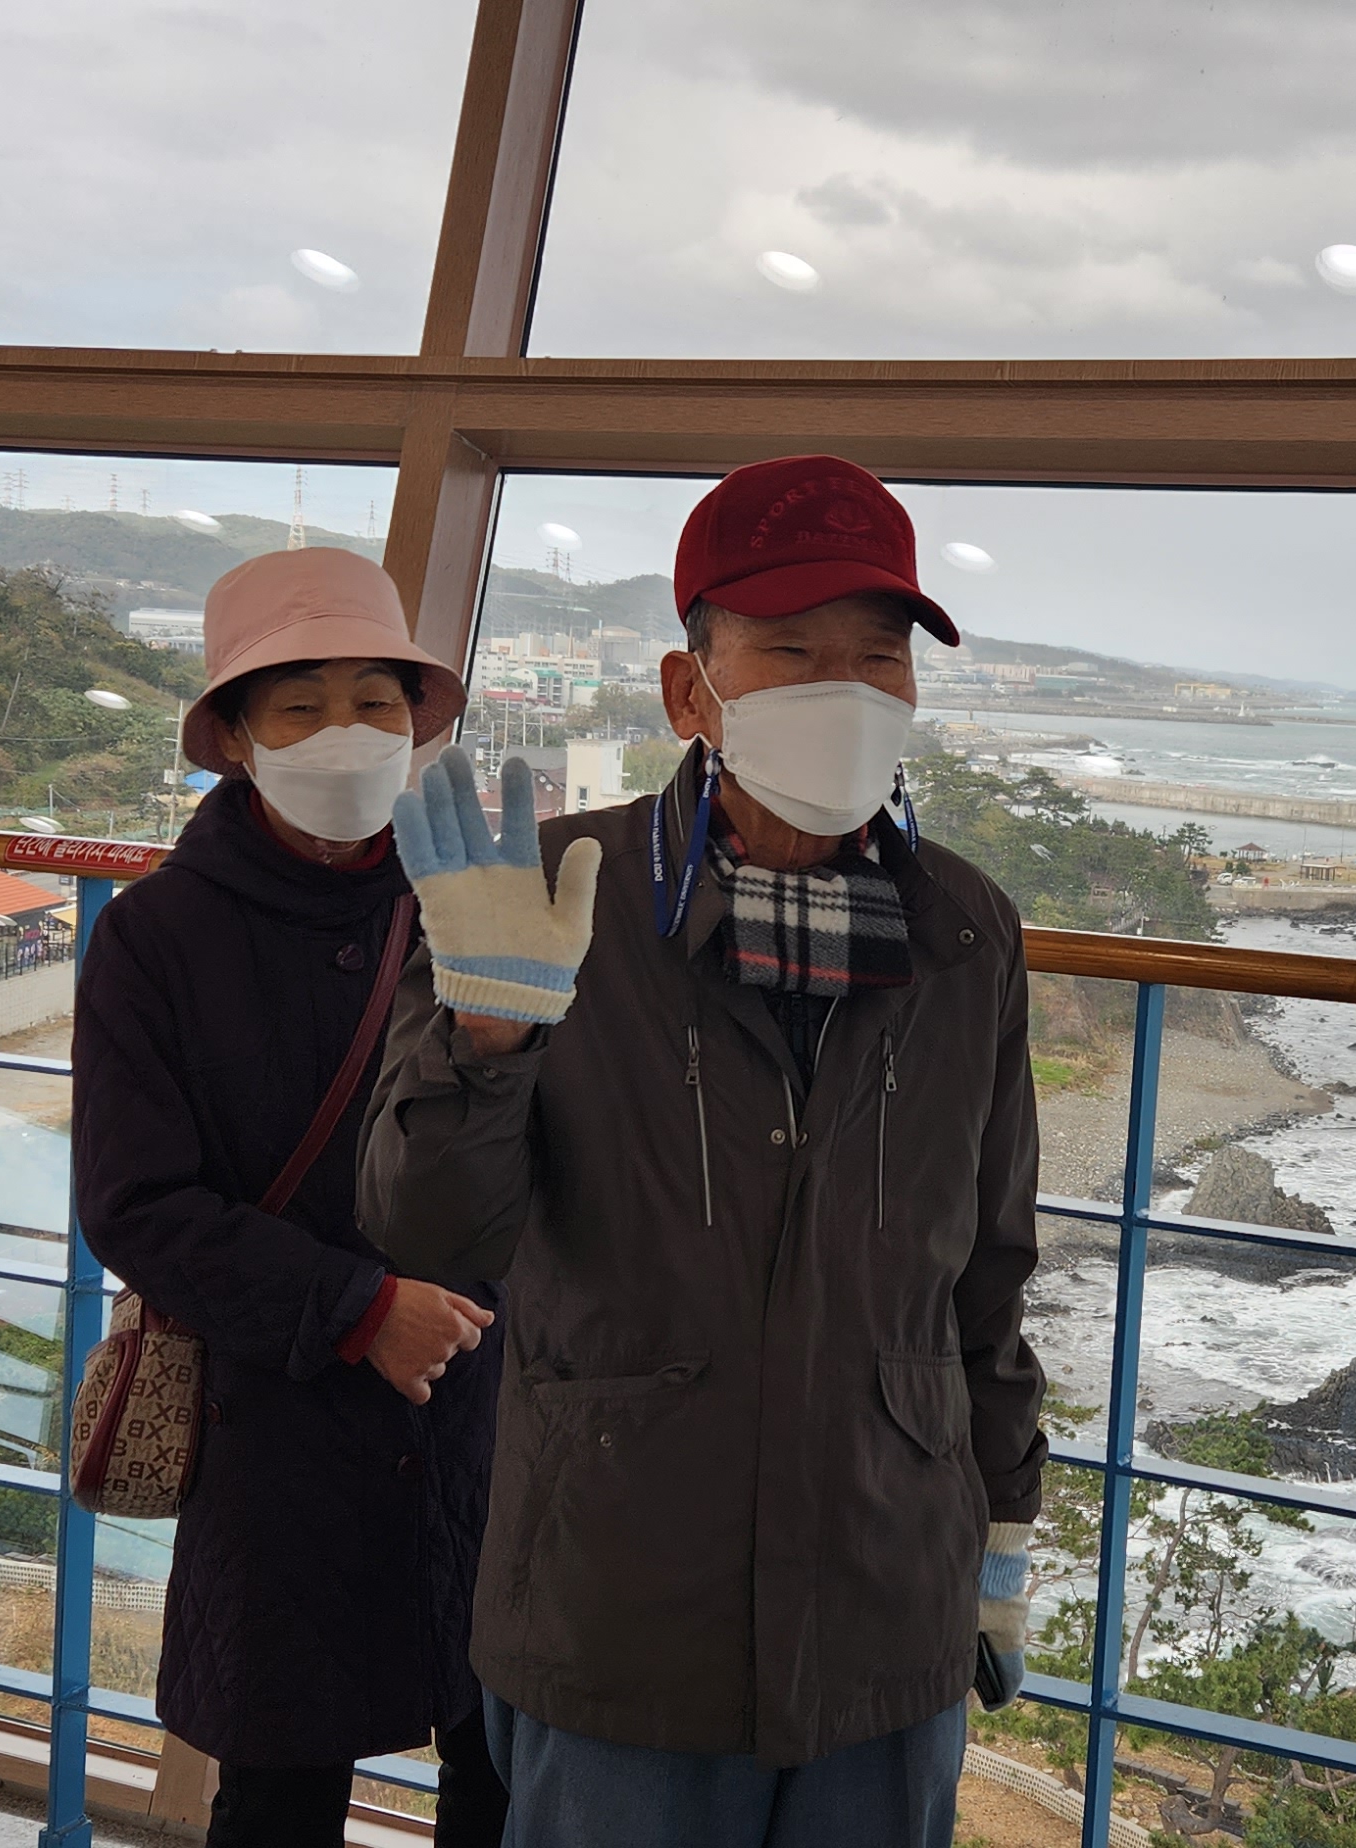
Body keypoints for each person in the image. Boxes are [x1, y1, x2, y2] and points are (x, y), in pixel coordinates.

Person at [363, 455, 1045, 1847]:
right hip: (623, 1604)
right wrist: (486, 1036)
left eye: (878, 658)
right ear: (692, 692)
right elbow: (428, 1235)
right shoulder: (548, 897)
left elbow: (989, 1269)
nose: (845, 692)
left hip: (886, 1606)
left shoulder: (965, 932)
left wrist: (1002, 1541)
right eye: (791, 653)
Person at [72, 547, 507, 1847]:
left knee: (502, 1768)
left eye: (376, 700)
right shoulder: (158, 935)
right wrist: (357, 1309)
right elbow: (136, 1203)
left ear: (415, 724)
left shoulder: (471, 904)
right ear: (235, 737)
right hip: (272, 1419)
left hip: (480, 1399)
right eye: (299, 705)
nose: (344, 733)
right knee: (279, 1785)